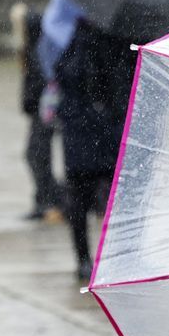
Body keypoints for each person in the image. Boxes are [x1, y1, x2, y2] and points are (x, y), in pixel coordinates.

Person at [55, 19, 136, 281]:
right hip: (98, 132)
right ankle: (106, 258)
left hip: (89, 133)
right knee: (107, 198)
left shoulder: (73, 41)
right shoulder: (120, 40)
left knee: (90, 198)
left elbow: (64, 77)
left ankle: (90, 258)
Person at [10, 3, 64, 223]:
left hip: (44, 112)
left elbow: (41, 83)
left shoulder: (38, 49)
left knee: (36, 155)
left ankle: (50, 201)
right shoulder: (34, 48)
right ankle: (47, 200)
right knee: (35, 155)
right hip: (39, 112)